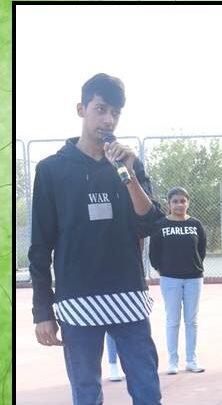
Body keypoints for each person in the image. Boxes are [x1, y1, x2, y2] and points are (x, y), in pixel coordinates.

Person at [28, 73, 163, 404]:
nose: (108, 120)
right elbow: (40, 246)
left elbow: (149, 223)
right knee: (86, 393)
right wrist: (43, 310)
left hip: (127, 294)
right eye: (100, 109)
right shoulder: (51, 170)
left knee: (147, 389)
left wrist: (129, 174)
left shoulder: (128, 164)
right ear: (81, 109)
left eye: (115, 112)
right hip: (77, 300)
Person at [149, 187, 207, 375]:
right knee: (173, 321)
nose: (179, 205)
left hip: (193, 279)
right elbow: (154, 253)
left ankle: (191, 360)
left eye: (183, 201)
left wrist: (194, 267)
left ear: (188, 203)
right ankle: (173, 361)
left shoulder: (196, 224)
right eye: (175, 201)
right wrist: (164, 271)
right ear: (169, 203)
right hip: (170, 279)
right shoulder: (160, 225)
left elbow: (201, 250)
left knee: (192, 321)